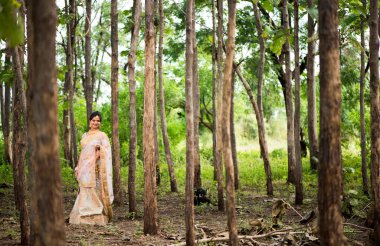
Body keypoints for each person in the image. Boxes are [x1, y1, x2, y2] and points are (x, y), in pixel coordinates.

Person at [69, 111, 113, 225]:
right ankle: (82, 214)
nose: (96, 122)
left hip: (95, 167)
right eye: (94, 120)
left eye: (98, 121)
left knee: (93, 188)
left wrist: (96, 157)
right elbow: (82, 152)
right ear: (90, 122)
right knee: (83, 188)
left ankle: (94, 214)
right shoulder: (85, 135)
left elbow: (106, 151)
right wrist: (78, 166)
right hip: (83, 166)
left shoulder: (102, 135)